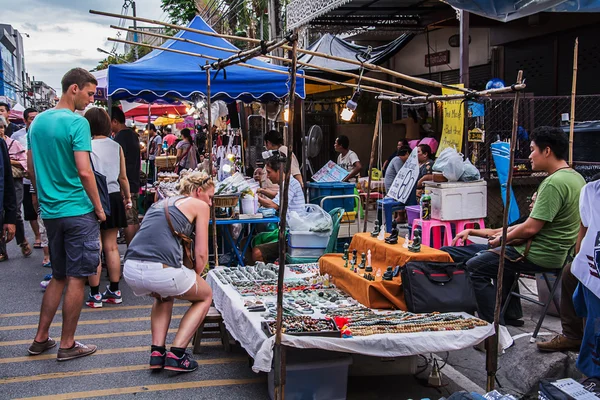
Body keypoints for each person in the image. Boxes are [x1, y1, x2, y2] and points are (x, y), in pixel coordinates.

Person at [463, 126, 585, 324]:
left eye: (532, 149)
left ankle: (491, 329)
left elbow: (530, 228)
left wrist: (502, 239)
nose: (530, 155)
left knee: (475, 266)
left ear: (547, 151)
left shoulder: (553, 183)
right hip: (560, 253)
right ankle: (510, 314)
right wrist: (501, 237)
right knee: (498, 257)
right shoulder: (576, 177)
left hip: (541, 253)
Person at [27, 67, 105, 361]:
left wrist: (41, 195)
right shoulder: (77, 123)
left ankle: (40, 338)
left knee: (58, 276)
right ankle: (68, 343)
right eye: (89, 93)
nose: (90, 100)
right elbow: (85, 171)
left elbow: (32, 168)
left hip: (51, 212)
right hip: (77, 209)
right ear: (74, 88)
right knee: (77, 277)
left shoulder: (38, 124)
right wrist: (98, 207)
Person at [123, 171, 213, 372]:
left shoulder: (160, 203)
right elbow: (201, 255)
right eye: (210, 197)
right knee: (205, 296)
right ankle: (177, 353)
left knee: (164, 296)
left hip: (130, 268)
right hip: (161, 271)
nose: (211, 203)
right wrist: (197, 279)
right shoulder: (199, 205)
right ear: (199, 191)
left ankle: (157, 352)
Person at [85, 108, 132, 308]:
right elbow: (123, 176)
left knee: (94, 245)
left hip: (92, 196)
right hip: (113, 196)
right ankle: (115, 290)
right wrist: (128, 197)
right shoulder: (116, 146)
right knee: (112, 245)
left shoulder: (85, 146)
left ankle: (95, 295)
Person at [570, 176, 600, 376]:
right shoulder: (591, 191)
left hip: (590, 265)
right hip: (591, 266)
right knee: (594, 319)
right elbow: (585, 228)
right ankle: (592, 372)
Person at [254, 156, 306, 263]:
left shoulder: (289, 184)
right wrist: (261, 191)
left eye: (269, 172)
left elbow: (274, 205)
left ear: (279, 171)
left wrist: (254, 198)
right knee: (254, 240)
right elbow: (278, 196)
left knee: (256, 252)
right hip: (289, 232)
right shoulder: (287, 183)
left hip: (293, 236)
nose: (267, 176)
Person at [0, 116, 31, 261]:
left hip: (14, 182)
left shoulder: (11, 143)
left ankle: (22, 241)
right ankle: (2, 250)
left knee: (16, 213)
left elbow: (24, 163)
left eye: (1, 127)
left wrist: (10, 160)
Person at [12, 108, 43, 253]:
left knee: (41, 207)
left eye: (36, 117)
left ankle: (43, 237)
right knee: (30, 209)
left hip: (40, 176)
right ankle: (37, 236)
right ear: (25, 120)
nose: (34, 121)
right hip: (24, 178)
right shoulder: (17, 136)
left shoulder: (43, 133)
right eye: (31, 118)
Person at [111, 107, 141, 245]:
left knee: (129, 219)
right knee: (133, 218)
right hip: (134, 181)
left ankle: (131, 251)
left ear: (115, 121)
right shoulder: (132, 135)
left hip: (126, 183)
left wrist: (123, 188)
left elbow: (119, 165)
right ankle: (134, 249)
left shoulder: (120, 137)